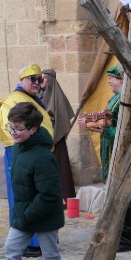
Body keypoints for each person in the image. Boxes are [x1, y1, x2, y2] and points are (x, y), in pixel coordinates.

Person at [0, 102, 64, 260]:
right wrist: (22, 213)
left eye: (18, 128)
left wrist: (28, 214)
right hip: (24, 214)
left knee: (50, 256)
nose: (13, 132)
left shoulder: (43, 157)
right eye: (10, 127)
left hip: (44, 215)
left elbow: (49, 194)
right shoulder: (19, 148)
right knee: (12, 249)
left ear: (33, 129)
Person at [78, 65, 131, 252]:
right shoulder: (115, 99)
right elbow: (108, 120)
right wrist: (96, 124)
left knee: (119, 194)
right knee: (121, 192)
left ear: (122, 79)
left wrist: (105, 129)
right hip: (111, 149)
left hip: (120, 152)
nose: (109, 81)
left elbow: (123, 131)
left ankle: (125, 236)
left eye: (113, 78)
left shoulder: (125, 100)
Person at [0, 63, 52, 258]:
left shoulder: (32, 99)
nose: (37, 83)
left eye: (39, 79)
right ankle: (27, 241)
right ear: (21, 80)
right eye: (32, 79)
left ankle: (39, 239)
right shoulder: (13, 100)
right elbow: (10, 131)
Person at [38, 69, 77, 200]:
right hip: (42, 137)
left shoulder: (57, 96)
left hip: (56, 137)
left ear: (49, 79)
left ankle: (65, 197)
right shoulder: (38, 95)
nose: (40, 82)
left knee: (60, 168)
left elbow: (62, 118)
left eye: (42, 78)